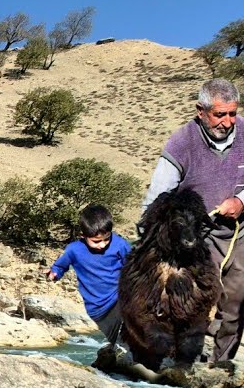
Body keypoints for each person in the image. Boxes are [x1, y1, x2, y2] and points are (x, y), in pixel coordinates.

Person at [140, 78, 244, 365]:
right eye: (219, 114)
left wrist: (241, 201)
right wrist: (146, 235)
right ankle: (180, 363)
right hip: (197, 232)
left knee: (235, 298)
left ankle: (218, 366)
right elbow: (158, 195)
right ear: (201, 111)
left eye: (232, 113)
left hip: (239, 230)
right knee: (191, 298)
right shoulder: (181, 142)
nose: (227, 121)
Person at [45, 204, 132, 345]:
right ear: (83, 236)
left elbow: (132, 266)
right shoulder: (74, 250)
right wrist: (54, 273)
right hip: (95, 304)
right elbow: (61, 265)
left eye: (107, 239)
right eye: (96, 241)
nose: (102, 245)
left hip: (119, 297)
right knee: (112, 336)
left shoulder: (120, 245)